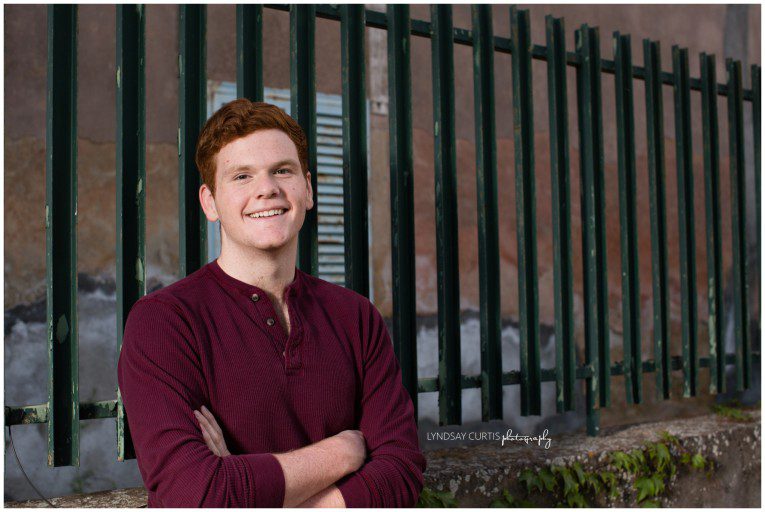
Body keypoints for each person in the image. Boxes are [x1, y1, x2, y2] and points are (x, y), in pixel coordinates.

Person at [117, 99, 426, 508]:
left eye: (282, 170)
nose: (267, 188)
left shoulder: (356, 316)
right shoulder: (164, 322)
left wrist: (251, 489)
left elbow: (402, 472)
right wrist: (344, 451)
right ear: (210, 202)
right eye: (242, 176)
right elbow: (196, 495)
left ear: (308, 188)